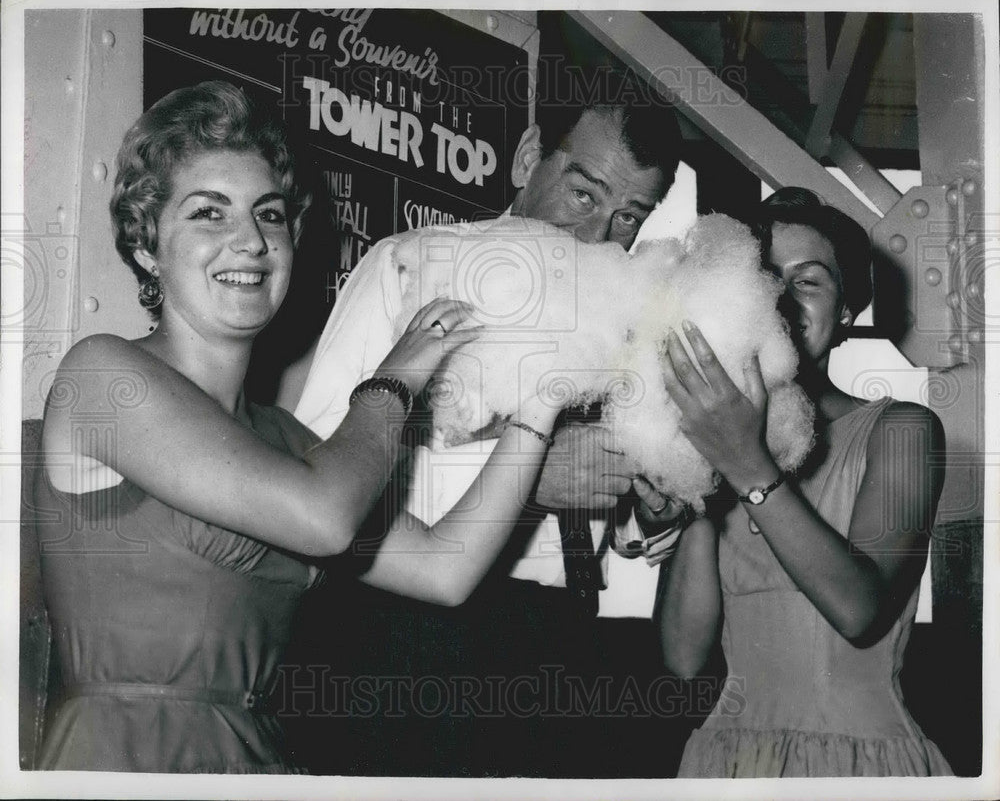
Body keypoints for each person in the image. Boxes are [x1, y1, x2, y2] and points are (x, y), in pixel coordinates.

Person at [33, 80, 567, 774]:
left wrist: (544, 399)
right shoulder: (102, 373)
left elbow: (447, 568)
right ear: (145, 246)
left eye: (270, 214)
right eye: (209, 213)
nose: (251, 240)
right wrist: (396, 375)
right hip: (125, 762)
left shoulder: (287, 441)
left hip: (255, 762)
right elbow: (324, 519)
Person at [288, 81, 692, 777]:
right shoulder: (411, 265)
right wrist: (527, 479)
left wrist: (654, 508)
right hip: (408, 637)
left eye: (629, 217)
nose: (599, 238)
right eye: (584, 195)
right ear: (529, 156)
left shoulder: (628, 312)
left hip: (563, 638)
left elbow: (626, 530)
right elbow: (319, 473)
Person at [654, 187, 952, 777]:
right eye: (764, 278)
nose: (781, 298)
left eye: (808, 281)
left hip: (857, 763)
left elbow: (859, 612)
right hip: (727, 762)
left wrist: (744, 463)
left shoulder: (902, 430)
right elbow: (683, 659)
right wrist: (703, 487)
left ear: (846, 311)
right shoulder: (715, 438)